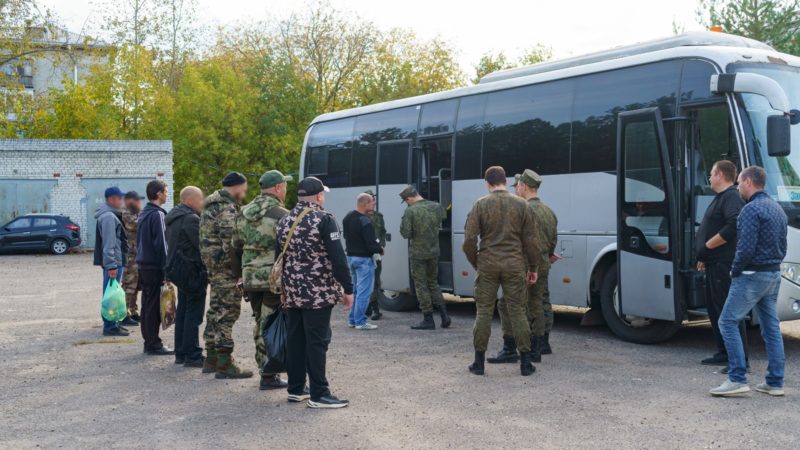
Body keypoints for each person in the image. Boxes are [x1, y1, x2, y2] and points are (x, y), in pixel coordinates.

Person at [710, 166, 788, 397]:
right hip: (773, 274)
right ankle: (775, 382)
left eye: (740, 182)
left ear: (748, 182)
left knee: (726, 322)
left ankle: (737, 378)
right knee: (771, 328)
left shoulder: (750, 210)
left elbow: (745, 248)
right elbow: (783, 247)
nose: (737, 186)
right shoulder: (778, 209)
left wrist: (735, 271)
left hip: (751, 276)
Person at [276, 176, 354, 409]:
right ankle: (319, 394)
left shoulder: (284, 219)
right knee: (317, 342)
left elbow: (278, 258)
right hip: (317, 293)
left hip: (292, 291)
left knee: (296, 339)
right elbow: (338, 258)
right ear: (319, 196)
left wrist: (282, 288)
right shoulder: (324, 219)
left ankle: (296, 388)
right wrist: (348, 288)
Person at [463, 166, 540, 377]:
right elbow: (531, 242)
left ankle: (478, 363)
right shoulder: (522, 204)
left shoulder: (480, 204)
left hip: (487, 264)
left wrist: (477, 263)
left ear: (487, 183)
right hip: (515, 265)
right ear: (505, 181)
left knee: (484, 312)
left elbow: (469, 241)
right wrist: (532, 268)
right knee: (517, 311)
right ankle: (525, 363)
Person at [489, 169, 558, 364]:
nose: (516, 188)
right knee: (538, 303)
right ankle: (538, 348)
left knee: (505, 305)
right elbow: (552, 240)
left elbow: (516, 240)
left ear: (525, 186)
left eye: (518, 185)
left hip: (524, 266)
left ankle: (510, 349)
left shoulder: (521, 209)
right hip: (543, 264)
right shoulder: (548, 211)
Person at [231, 170, 292, 390]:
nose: (285, 189)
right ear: (277, 188)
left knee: (260, 321)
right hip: (272, 280)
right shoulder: (282, 215)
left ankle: (267, 371)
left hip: (250, 278)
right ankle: (269, 374)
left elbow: (235, 247)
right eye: (284, 186)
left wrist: (239, 275)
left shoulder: (243, 213)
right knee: (271, 323)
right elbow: (288, 250)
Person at [695, 160, 748, 370]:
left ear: (720, 175)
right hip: (712, 263)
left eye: (711, 173)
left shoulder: (731, 197)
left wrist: (707, 246)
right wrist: (703, 256)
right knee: (715, 309)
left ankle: (740, 359)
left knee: (728, 311)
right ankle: (724, 352)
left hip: (723, 264)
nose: (709, 178)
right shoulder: (721, 198)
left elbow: (734, 224)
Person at [200, 171, 252, 378]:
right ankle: (224, 362)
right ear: (237, 187)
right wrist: (240, 273)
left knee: (215, 311)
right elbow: (232, 245)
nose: (245, 192)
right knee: (227, 313)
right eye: (244, 188)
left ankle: (211, 357)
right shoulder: (226, 208)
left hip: (214, 267)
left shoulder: (212, 205)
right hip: (226, 269)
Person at [166, 186, 207, 367]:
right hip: (191, 271)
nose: (202, 203)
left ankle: (181, 352)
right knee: (193, 313)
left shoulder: (174, 217)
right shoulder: (191, 219)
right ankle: (192, 354)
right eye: (200, 199)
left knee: (183, 311)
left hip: (178, 269)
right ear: (190, 200)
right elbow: (202, 247)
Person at [399, 185, 450, 330]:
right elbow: (443, 217)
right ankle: (444, 315)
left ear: (409, 198)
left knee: (421, 285)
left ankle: (428, 319)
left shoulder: (411, 211)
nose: (407, 203)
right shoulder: (436, 206)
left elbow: (406, 234)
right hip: (434, 251)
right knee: (433, 283)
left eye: (406, 201)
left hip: (418, 254)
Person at [136, 179, 172, 356]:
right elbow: (162, 244)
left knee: (147, 305)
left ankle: (149, 341)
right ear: (158, 194)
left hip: (144, 265)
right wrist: (167, 269)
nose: (167, 194)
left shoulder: (144, 213)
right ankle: (153, 344)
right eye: (165, 191)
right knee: (153, 306)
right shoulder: (157, 214)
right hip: (154, 266)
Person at [343, 193, 383, 330]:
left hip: (351, 259)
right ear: (365, 203)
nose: (374, 205)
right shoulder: (365, 221)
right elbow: (371, 244)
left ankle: (352, 320)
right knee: (364, 293)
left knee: (355, 291)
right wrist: (380, 249)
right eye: (372, 202)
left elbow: (347, 236)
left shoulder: (348, 217)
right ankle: (360, 322)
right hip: (364, 261)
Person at [93, 186, 129, 337]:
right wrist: (112, 265)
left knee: (112, 293)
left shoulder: (111, 215)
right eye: (120, 198)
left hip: (115, 261)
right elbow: (109, 244)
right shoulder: (108, 216)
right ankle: (109, 326)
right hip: (114, 263)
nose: (122, 201)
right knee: (111, 294)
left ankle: (113, 323)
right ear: (112, 199)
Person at [121, 190, 144, 326]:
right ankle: (124, 313)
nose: (139, 203)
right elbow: (135, 225)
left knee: (135, 285)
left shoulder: (136, 212)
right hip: (130, 255)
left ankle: (133, 311)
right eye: (137, 200)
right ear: (130, 201)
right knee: (129, 284)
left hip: (137, 253)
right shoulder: (126, 212)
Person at [363, 190, 386, 321]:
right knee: (366, 282)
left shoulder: (379, 216)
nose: (374, 202)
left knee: (376, 281)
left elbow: (383, 232)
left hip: (376, 254)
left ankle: (375, 309)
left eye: (374, 199)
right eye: (372, 199)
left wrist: (381, 245)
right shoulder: (359, 217)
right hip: (365, 254)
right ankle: (367, 308)